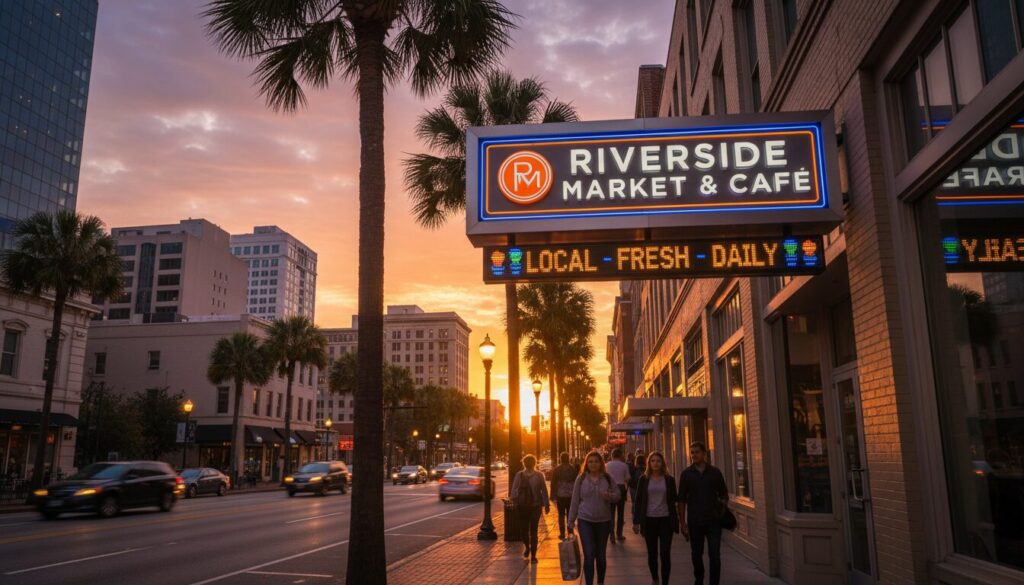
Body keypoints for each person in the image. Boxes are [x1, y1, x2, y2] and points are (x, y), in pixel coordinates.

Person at [678, 441, 728, 585]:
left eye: (697, 452)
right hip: (695, 521)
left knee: (715, 555)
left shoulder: (715, 472)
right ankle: (699, 580)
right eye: (692, 452)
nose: (694, 455)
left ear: (704, 454)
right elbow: (681, 500)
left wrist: (721, 510)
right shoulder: (686, 474)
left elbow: (724, 495)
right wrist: (683, 523)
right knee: (696, 555)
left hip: (713, 521)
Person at [569, 451, 620, 585]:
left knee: (601, 556)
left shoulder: (607, 478)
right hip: (585, 520)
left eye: (596, 461)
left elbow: (618, 495)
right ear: (586, 463)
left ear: (601, 463)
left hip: (603, 521)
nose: (593, 464)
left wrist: (610, 496)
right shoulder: (581, 478)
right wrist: (570, 521)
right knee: (589, 554)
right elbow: (575, 500)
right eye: (590, 461)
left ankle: (600, 582)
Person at [632, 451, 678, 585]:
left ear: (662, 463)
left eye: (658, 461)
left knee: (665, 553)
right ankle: (655, 578)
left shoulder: (669, 479)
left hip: (665, 520)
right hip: (649, 520)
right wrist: (636, 521)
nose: (655, 463)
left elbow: (674, 499)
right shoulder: (644, 479)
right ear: (649, 463)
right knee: (652, 553)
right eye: (653, 461)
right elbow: (638, 501)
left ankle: (665, 582)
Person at [511, 454, 550, 563]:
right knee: (532, 531)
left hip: (526, 507)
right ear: (534, 463)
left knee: (527, 530)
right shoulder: (537, 475)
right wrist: (546, 505)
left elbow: (514, 491)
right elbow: (544, 491)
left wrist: (515, 501)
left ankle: (530, 551)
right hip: (533, 506)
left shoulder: (521, 475)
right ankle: (532, 553)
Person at [605, 448, 631, 542]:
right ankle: (619, 534)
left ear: (612, 455)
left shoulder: (607, 465)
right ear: (620, 455)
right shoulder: (624, 465)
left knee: (611, 513)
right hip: (621, 488)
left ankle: (611, 534)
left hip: (610, 489)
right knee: (620, 513)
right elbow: (628, 478)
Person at [551, 451, 578, 538]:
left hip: (560, 495)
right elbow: (576, 481)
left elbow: (553, 483)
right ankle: (570, 531)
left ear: (561, 459)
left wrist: (552, 495)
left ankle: (562, 532)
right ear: (568, 458)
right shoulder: (573, 469)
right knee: (570, 514)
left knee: (561, 514)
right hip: (571, 495)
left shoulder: (556, 469)